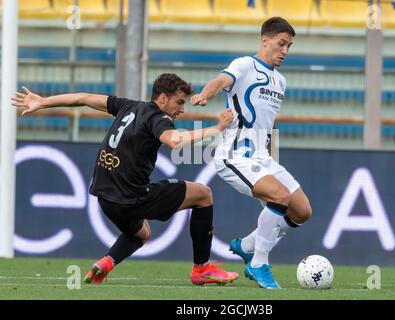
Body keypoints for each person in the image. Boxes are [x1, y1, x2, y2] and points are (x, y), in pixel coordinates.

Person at [12, 73, 238, 286]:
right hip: (130, 199)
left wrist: (43, 102)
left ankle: (106, 263)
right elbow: (174, 140)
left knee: (142, 234)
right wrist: (217, 128)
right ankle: (202, 269)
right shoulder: (158, 118)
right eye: (179, 102)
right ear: (162, 98)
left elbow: (83, 97)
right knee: (203, 194)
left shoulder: (128, 106)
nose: (182, 108)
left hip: (104, 198)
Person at [190, 17, 312, 289]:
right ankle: (258, 263)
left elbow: (268, 125)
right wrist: (205, 94)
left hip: (262, 156)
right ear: (264, 40)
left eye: (289, 46)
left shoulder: (280, 81)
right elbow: (222, 80)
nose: (285, 51)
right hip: (235, 155)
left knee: (302, 211)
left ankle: (246, 246)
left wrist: (270, 158)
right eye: (281, 44)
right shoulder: (245, 65)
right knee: (280, 197)